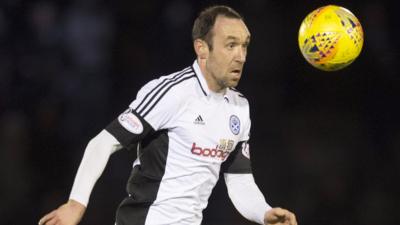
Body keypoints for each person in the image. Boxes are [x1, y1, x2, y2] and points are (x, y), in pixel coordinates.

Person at [39, 5, 297, 225]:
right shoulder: (172, 93)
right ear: (202, 48)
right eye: (230, 45)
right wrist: (75, 204)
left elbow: (239, 179)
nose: (241, 56)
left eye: (244, 46)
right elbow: (102, 143)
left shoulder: (239, 108)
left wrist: (263, 213)